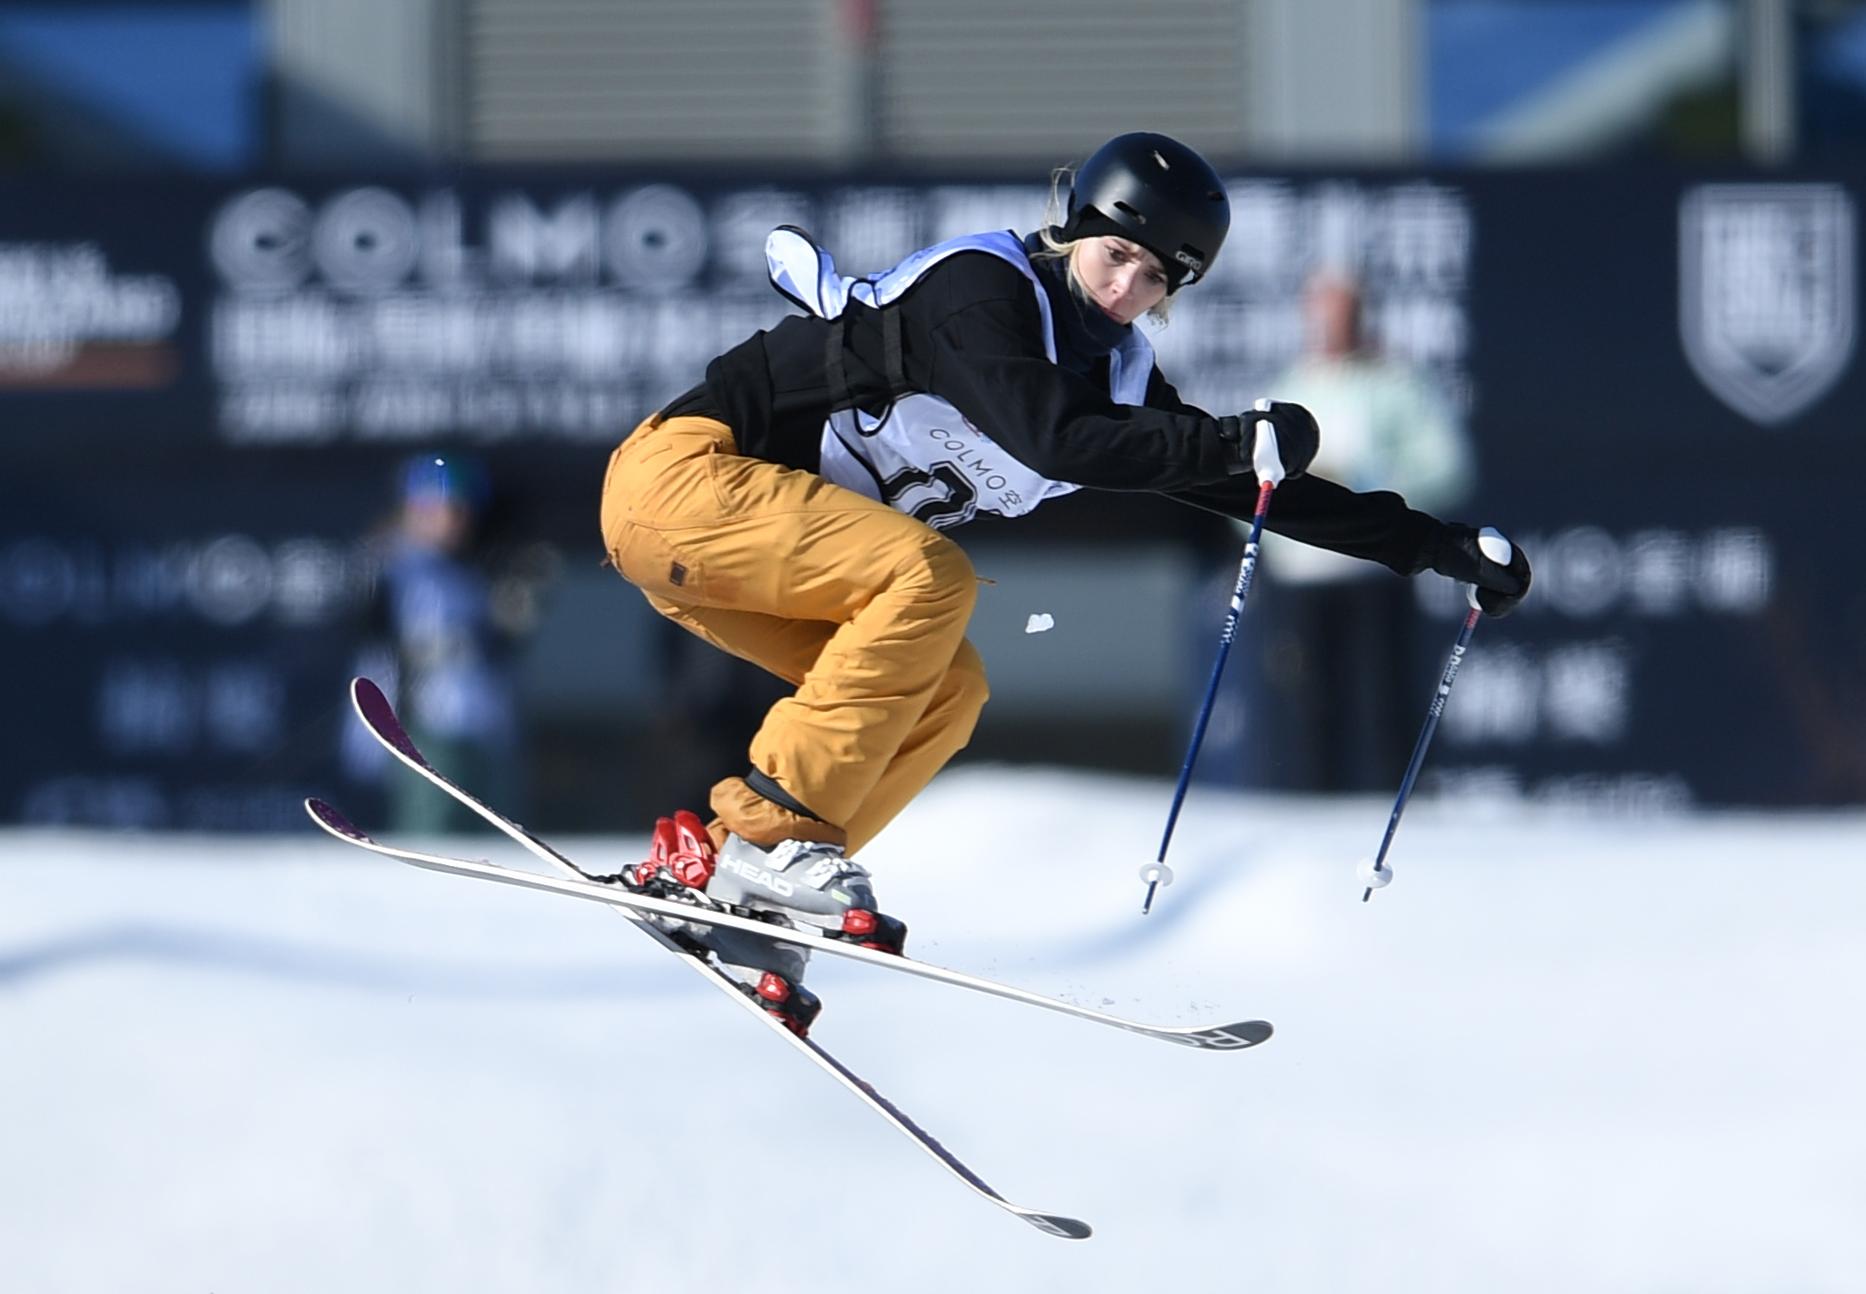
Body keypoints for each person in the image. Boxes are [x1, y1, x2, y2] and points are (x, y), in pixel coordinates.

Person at [598, 133, 1531, 1035]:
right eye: (1117, 253)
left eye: (1158, 275)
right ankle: (768, 839)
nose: (1127, 287)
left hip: (733, 549)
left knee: (948, 689)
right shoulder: (983, 290)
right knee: (928, 575)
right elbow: (1050, 436)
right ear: (1076, 223)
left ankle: (724, 878)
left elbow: (1249, 489)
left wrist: (1437, 547)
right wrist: (1229, 436)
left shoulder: (1119, 378)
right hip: (681, 482)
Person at [1241, 269, 1477, 790]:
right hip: (1303, 581)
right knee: (1305, 711)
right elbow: (1250, 487)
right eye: (1324, 314)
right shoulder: (1291, 387)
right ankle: (1310, 832)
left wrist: (1371, 488)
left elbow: (1446, 466)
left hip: (1373, 574)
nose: (1333, 326)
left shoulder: (1396, 385)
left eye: (1345, 313)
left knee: (1382, 705)